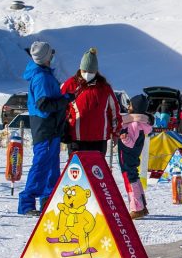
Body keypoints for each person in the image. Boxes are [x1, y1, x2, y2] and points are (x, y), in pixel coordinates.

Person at [18, 42, 74, 216]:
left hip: (52, 127)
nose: (53, 56)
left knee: (51, 166)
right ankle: (27, 204)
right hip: (45, 127)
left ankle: (48, 201)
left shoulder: (45, 73)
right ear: (46, 57)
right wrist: (65, 99)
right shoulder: (41, 77)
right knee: (41, 165)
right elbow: (43, 105)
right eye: (51, 54)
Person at [60, 49, 121, 157]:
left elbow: (114, 111)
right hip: (76, 138)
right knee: (77, 171)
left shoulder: (104, 88)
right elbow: (60, 108)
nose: (87, 74)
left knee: (96, 172)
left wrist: (116, 133)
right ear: (80, 68)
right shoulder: (70, 85)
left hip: (98, 139)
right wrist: (61, 129)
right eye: (84, 71)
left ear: (96, 71)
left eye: (91, 72)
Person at [118, 94, 154, 219]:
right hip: (131, 157)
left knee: (130, 180)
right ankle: (142, 206)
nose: (128, 107)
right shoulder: (139, 123)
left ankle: (136, 208)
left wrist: (124, 137)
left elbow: (131, 143)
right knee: (135, 177)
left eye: (131, 105)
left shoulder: (134, 124)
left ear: (136, 108)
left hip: (127, 156)